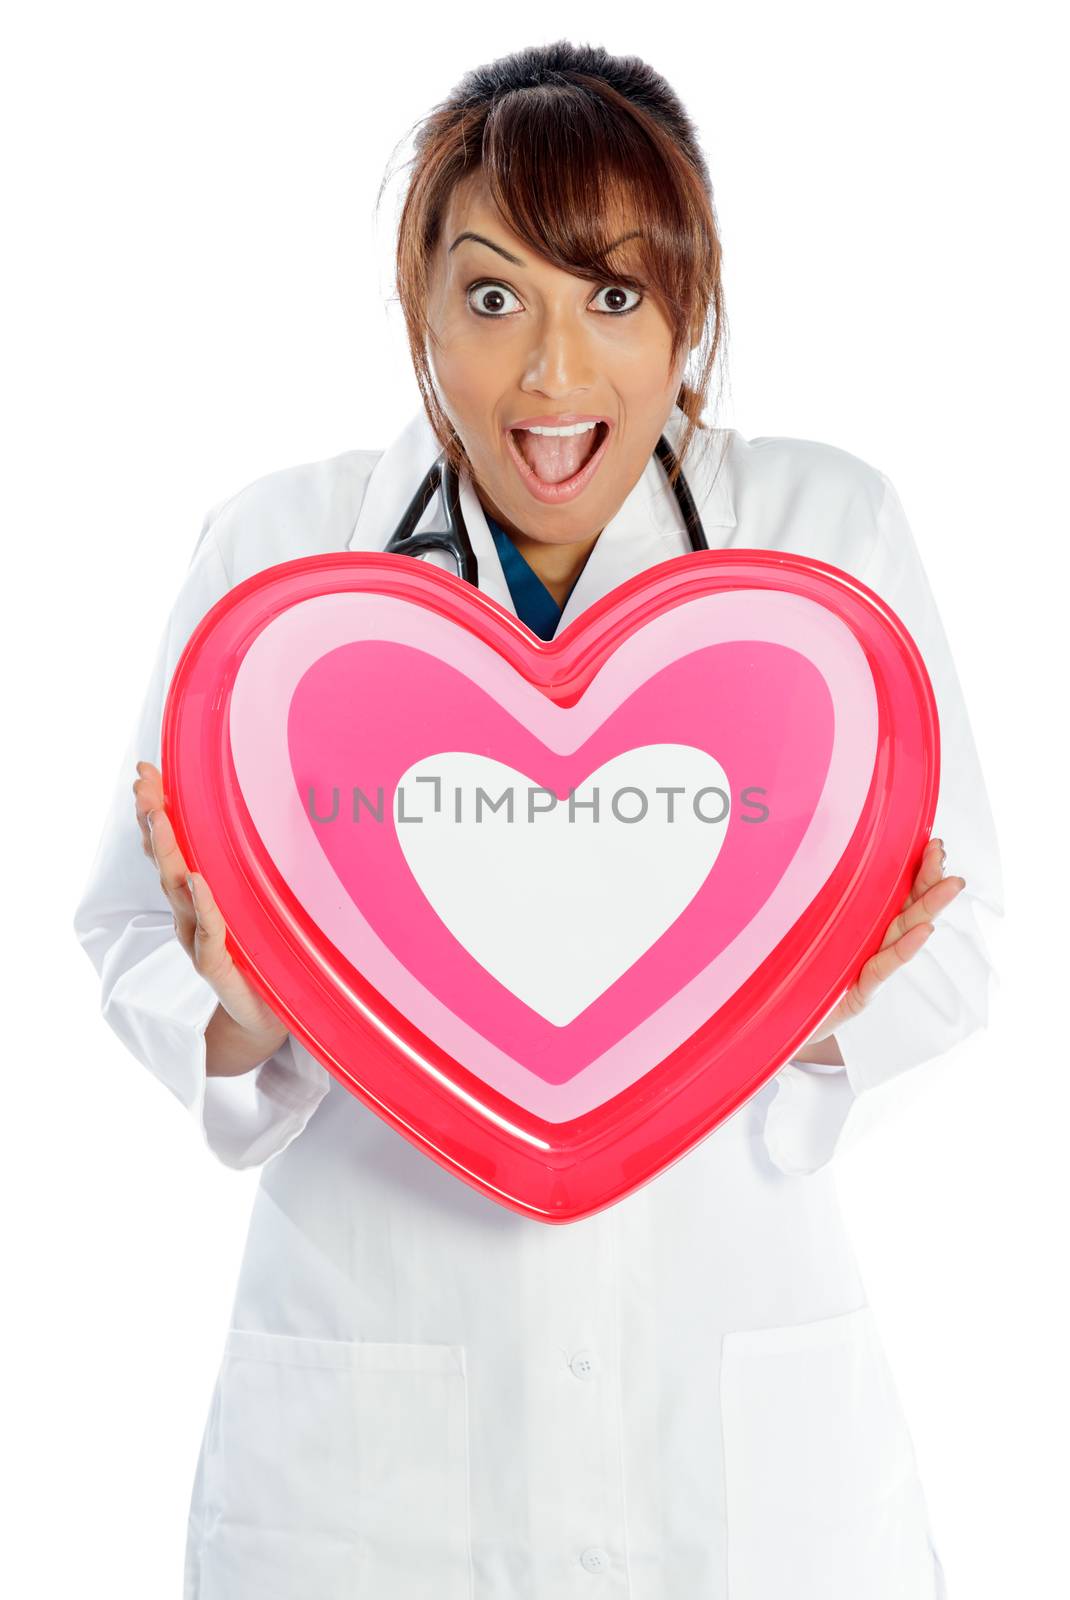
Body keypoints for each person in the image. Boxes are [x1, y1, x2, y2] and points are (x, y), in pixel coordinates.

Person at [72, 39, 1003, 1600]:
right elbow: (127, 926)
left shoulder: (818, 548)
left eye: (616, 298)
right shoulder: (286, 565)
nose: (555, 376)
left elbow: (959, 928)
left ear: (687, 312)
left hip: (729, 1432)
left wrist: (823, 999)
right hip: (378, 1451)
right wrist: (243, 1019)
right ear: (416, 308)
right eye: (494, 298)